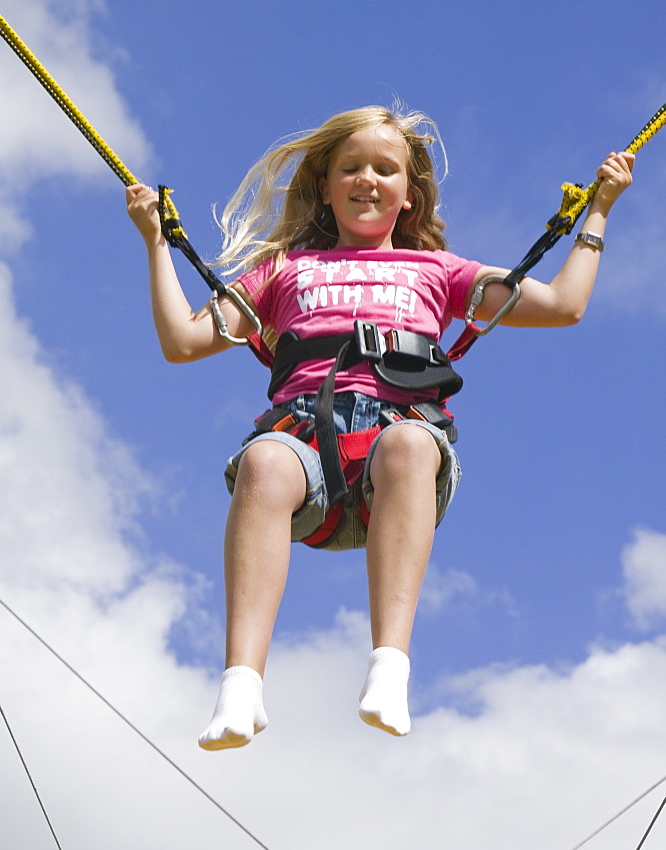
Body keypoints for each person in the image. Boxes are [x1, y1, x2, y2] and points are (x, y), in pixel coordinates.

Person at [126, 106, 634, 750]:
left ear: (408, 194)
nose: (367, 178)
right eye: (351, 168)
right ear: (327, 186)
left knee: (408, 442)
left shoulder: (438, 271)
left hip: (396, 454)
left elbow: (563, 306)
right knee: (263, 463)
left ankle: (389, 667)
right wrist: (153, 240)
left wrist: (600, 210)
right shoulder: (285, 270)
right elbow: (182, 341)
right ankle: (240, 685)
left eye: (385, 169)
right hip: (307, 445)